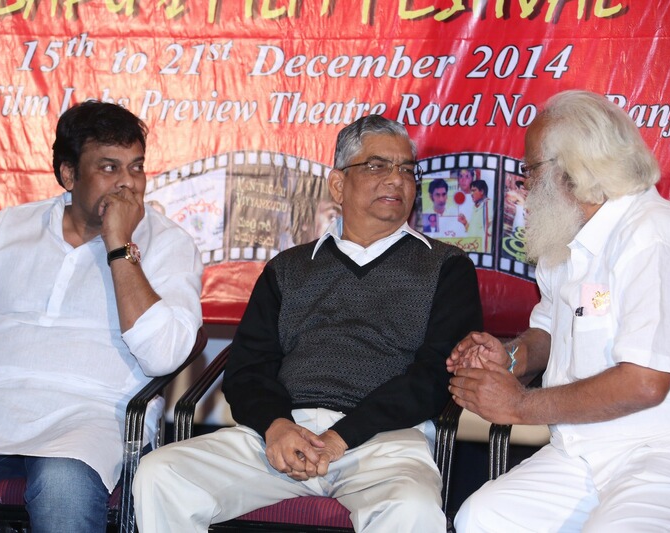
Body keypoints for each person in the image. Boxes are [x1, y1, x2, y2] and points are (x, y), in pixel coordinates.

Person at [133, 115, 483, 532]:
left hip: (383, 442)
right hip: (282, 437)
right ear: (338, 185)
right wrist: (277, 425)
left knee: (412, 507)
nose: (396, 179)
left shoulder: (446, 268)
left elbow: (434, 375)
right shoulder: (289, 268)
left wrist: (341, 437)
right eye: (377, 166)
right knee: (161, 473)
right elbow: (248, 369)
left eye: (406, 169)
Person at [0, 101, 203, 532]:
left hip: (94, 418)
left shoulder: (169, 244)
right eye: (109, 168)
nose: (128, 184)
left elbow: (163, 357)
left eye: (136, 167)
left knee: (63, 491)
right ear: (69, 175)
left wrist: (119, 246)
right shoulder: (6, 230)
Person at [448, 90, 670, 532]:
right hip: (579, 449)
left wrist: (519, 405)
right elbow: (548, 334)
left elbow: (644, 382)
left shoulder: (652, 232)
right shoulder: (565, 239)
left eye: (529, 169)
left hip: (662, 451)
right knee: (481, 518)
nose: (522, 184)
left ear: (571, 172)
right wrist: (510, 358)